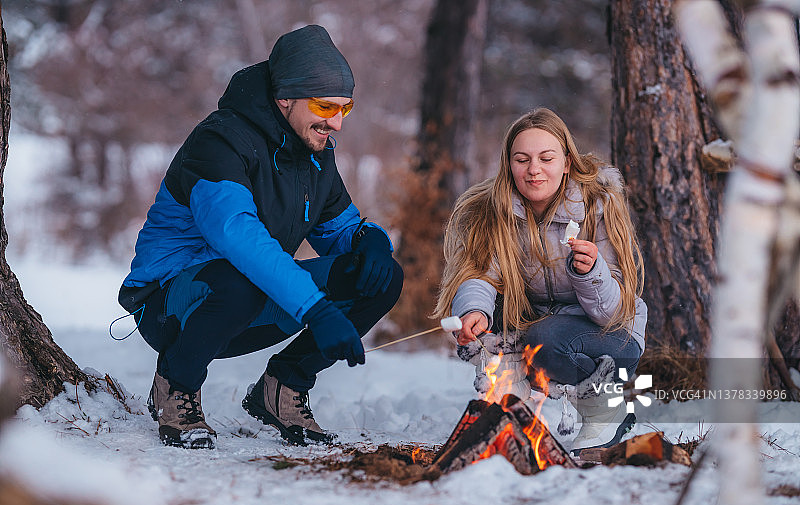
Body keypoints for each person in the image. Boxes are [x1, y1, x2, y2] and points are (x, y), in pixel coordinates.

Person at [118, 25, 403, 449]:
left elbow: (340, 229)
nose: (337, 123)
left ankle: (282, 389)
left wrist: (372, 241)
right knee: (241, 278)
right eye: (325, 107)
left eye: (346, 108)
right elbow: (238, 236)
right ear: (285, 97)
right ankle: (175, 386)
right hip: (169, 306)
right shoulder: (219, 142)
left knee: (378, 275)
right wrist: (316, 309)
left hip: (247, 297)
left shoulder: (315, 154)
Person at [433, 108, 647, 455]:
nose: (534, 169)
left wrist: (590, 272)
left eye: (546, 158)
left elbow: (614, 312)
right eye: (522, 159)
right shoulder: (493, 213)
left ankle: (604, 408)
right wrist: (475, 310)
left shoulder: (598, 207)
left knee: (545, 339)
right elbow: (480, 273)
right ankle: (511, 403)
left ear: (566, 162)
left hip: (607, 334)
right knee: (498, 316)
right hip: (534, 320)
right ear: (509, 165)